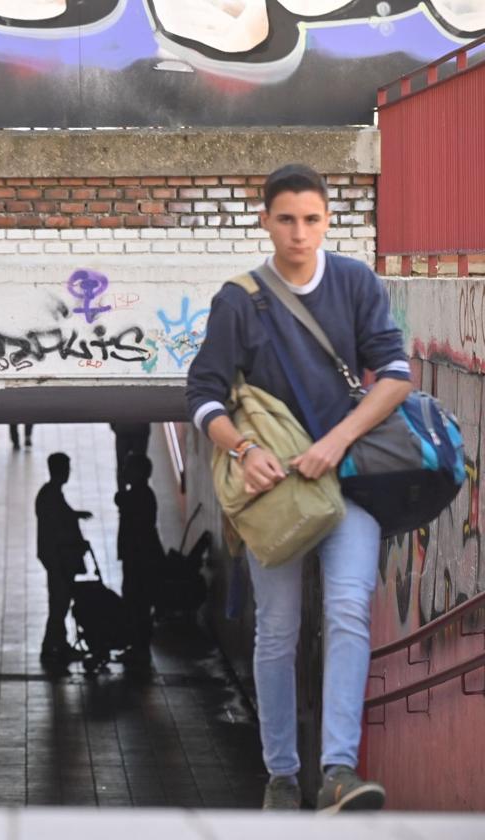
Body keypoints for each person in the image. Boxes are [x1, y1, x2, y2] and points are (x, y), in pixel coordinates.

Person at [186, 163, 412, 813]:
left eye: (311, 219)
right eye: (286, 219)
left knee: (346, 609)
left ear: (327, 220)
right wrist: (246, 448)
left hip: (349, 481)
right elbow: (202, 396)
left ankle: (338, 770)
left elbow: (394, 374)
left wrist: (337, 440)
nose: (299, 232)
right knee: (278, 631)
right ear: (265, 220)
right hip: (277, 494)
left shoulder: (354, 282)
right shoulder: (240, 300)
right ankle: (282, 776)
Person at [34, 452, 93, 672]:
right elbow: (57, 527)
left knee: (60, 602)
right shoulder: (51, 495)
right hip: (58, 558)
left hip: (56, 557)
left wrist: (77, 515)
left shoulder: (51, 493)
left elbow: (62, 517)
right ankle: (52, 644)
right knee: (59, 603)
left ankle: (58, 642)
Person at [113, 453, 165, 665]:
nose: (124, 471)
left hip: (139, 558)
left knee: (137, 603)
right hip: (141, 555)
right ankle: (137, 645)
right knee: (138, 603)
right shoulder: (142, 494)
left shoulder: (138, 496)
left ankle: (139, 646)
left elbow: (122, 502)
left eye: (128, 468)